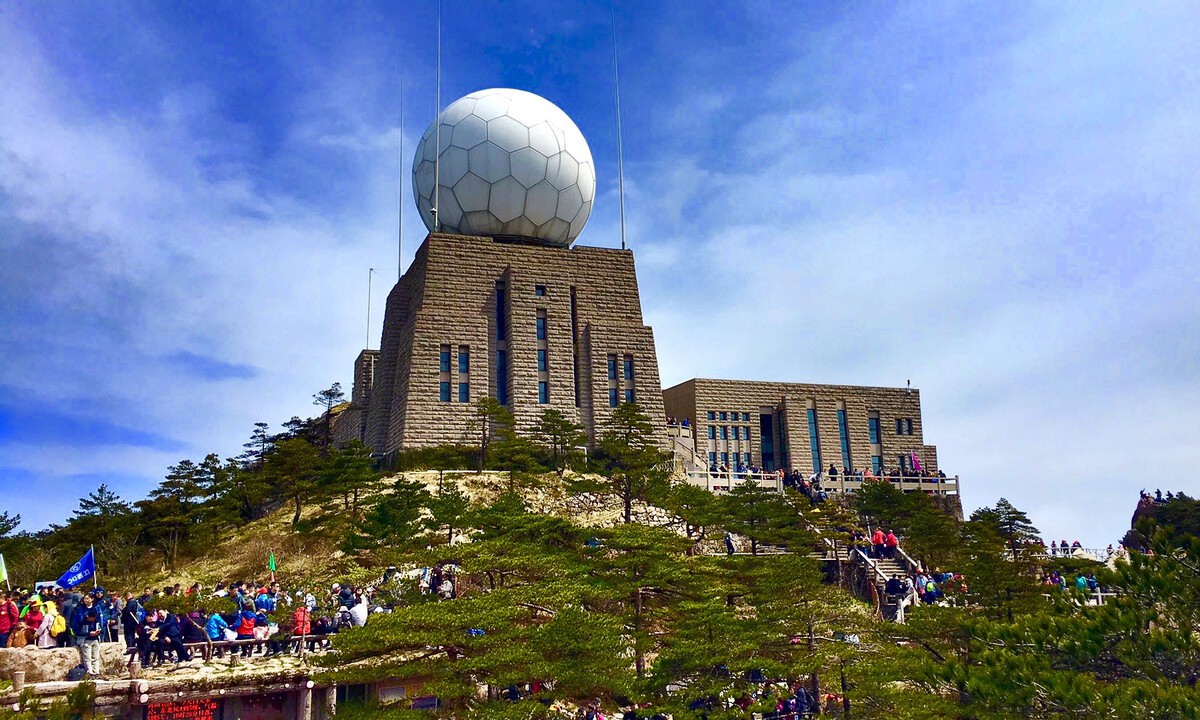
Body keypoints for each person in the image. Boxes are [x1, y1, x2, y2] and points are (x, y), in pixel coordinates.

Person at [71, 595, 103, 677]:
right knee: (87, 657)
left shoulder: (97, 608)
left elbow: (101, 623)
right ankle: (90, 673)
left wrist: (99, 631)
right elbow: (76, 627)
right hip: (85, 639)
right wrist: (88, 633)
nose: (86, 600)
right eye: (84, 598)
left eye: (88, 598)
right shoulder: (79, 610)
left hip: (95, 638)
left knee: (95, 656)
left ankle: (96, 672)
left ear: (92, 599)